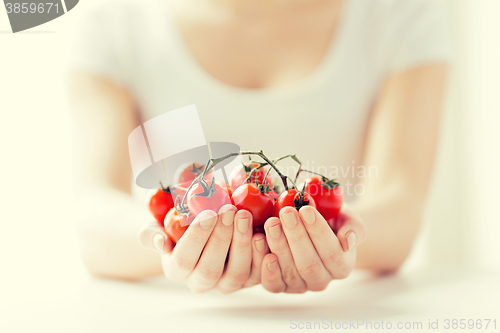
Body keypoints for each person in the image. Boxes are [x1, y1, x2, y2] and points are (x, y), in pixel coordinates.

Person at [68, 0, 451, 294]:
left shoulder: (403, 10)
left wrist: (335, 241)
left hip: (343, 310)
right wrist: (168, 241)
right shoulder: (113, 15)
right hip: (178, 315)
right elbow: (94, 212)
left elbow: (401, 203)